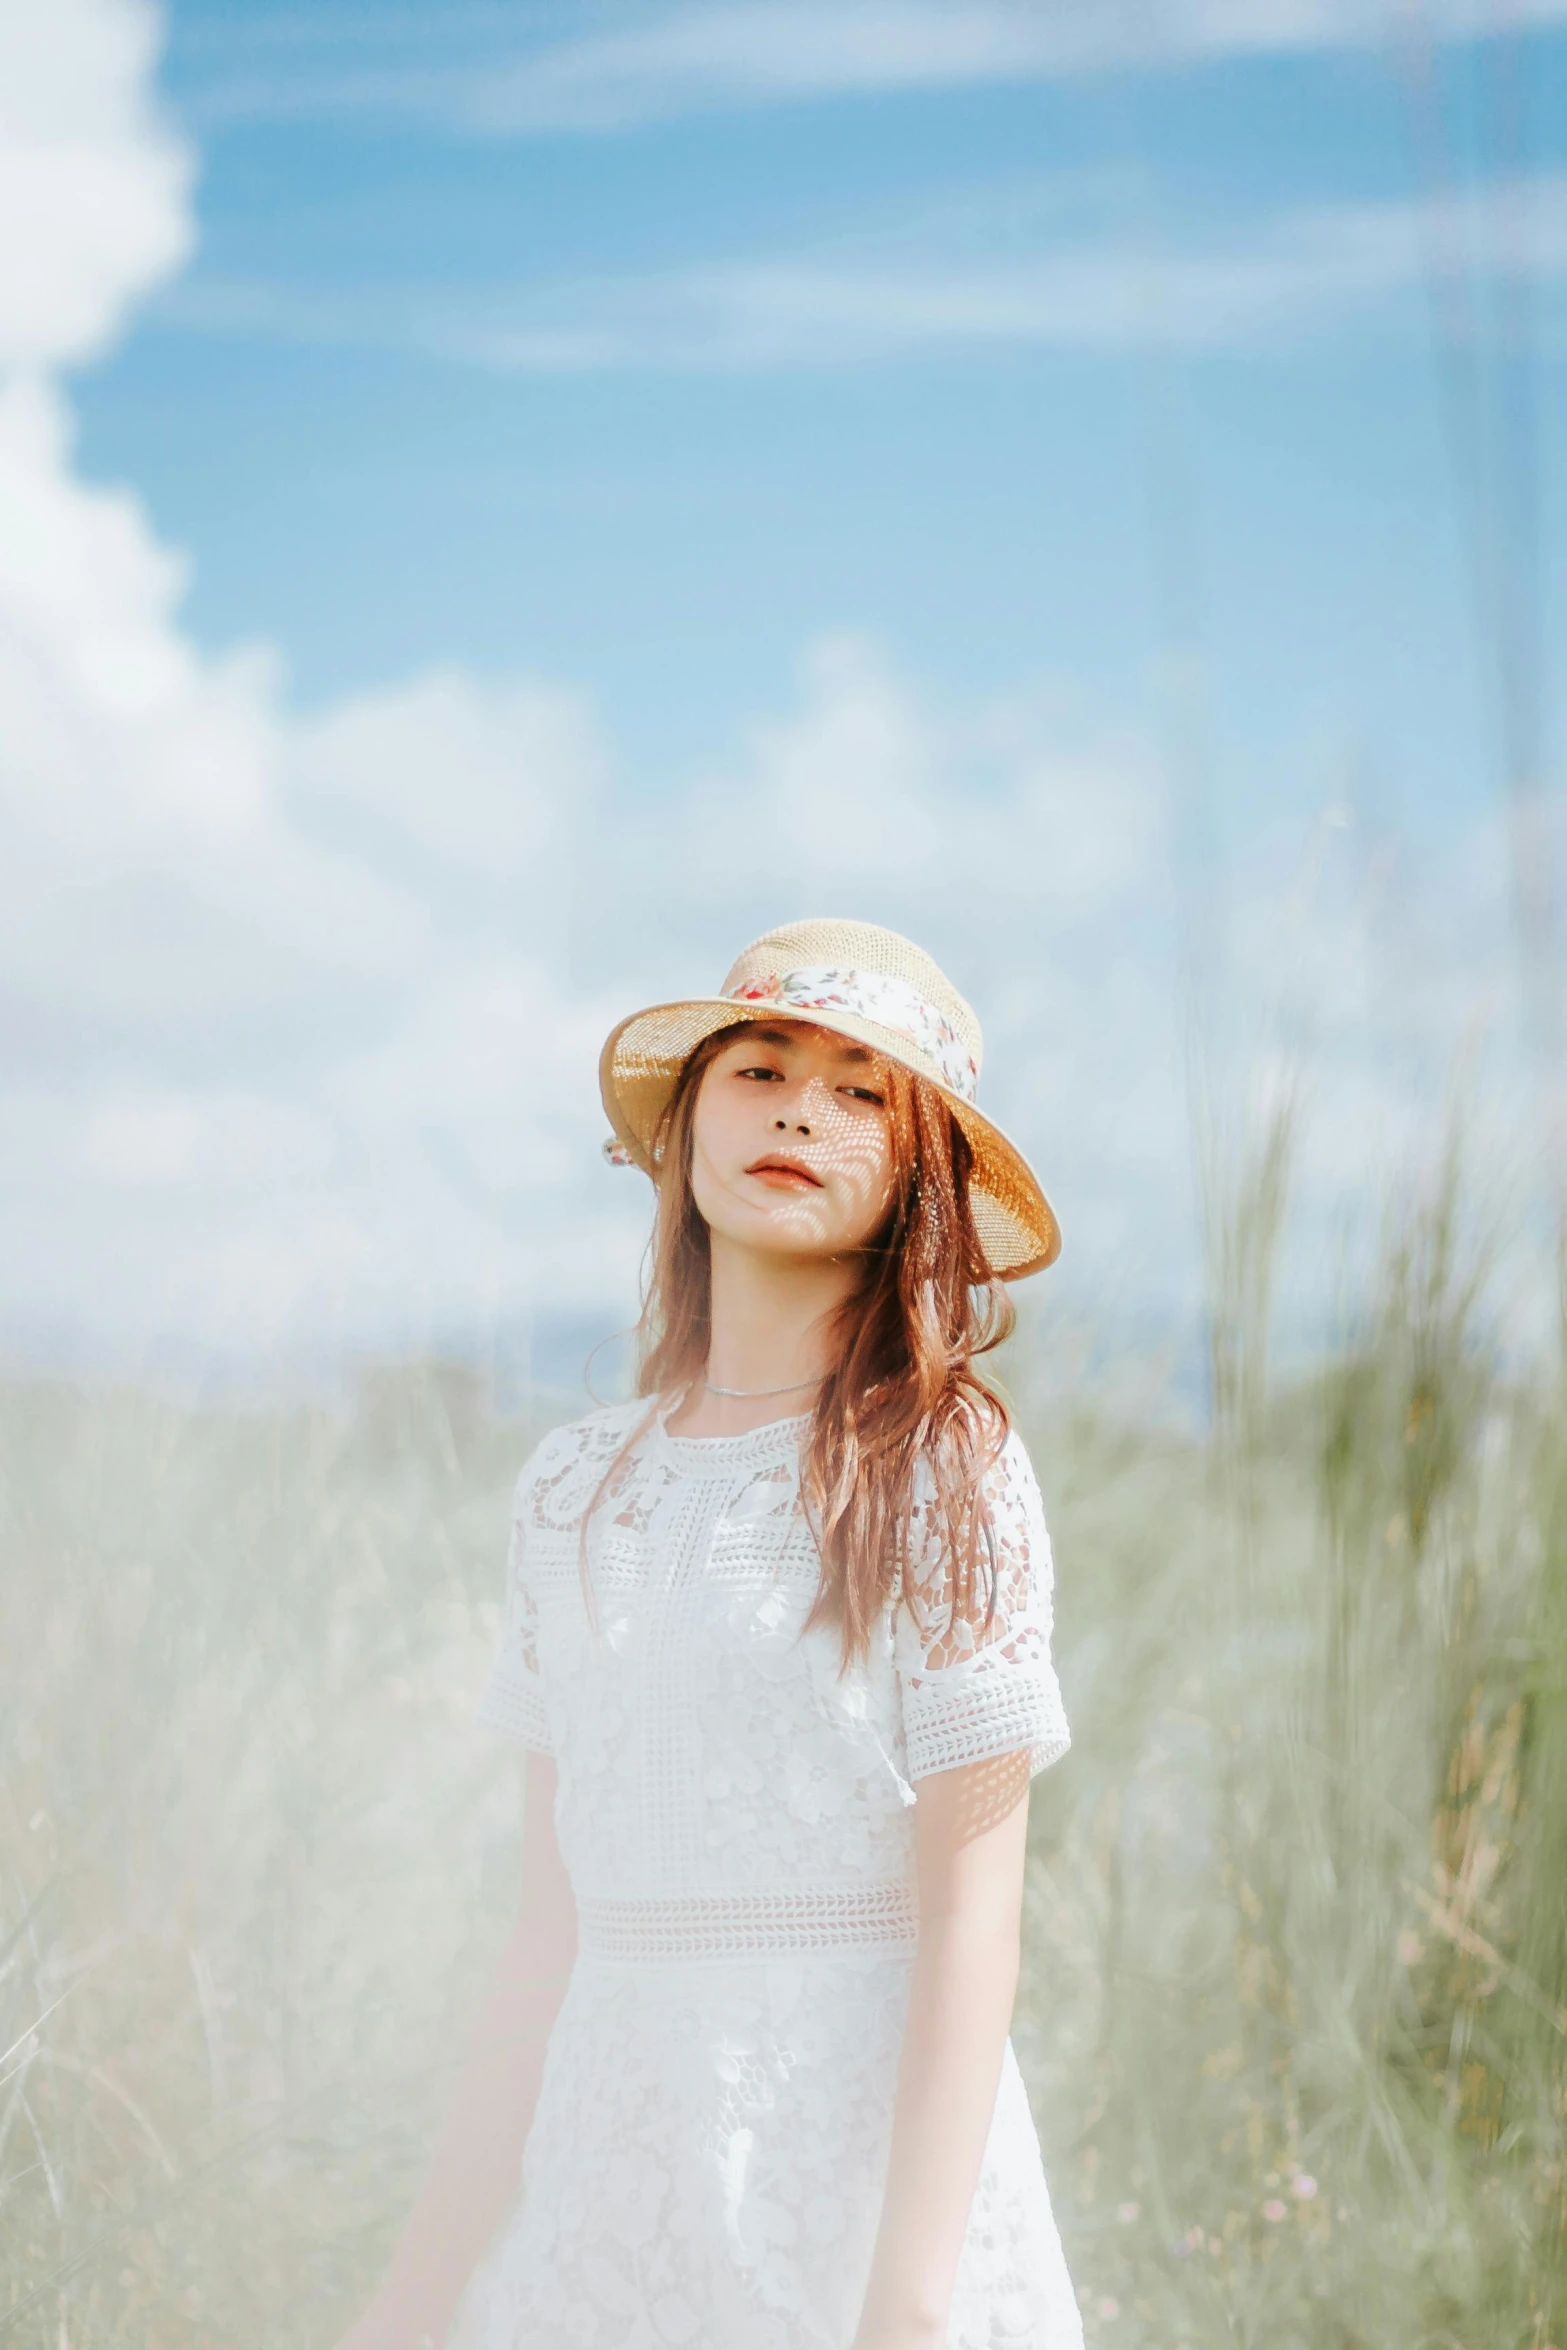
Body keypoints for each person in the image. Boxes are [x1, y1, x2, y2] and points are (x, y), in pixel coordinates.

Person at [336, 918, 1082, 2350]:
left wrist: (908, 2309)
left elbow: (972, 1922)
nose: (802, 1106)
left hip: (853, 2201)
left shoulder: (944, 1463)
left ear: (919, 1175)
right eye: (761, 1065)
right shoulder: (571, 1485)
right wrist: (419, 2287)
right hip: (607, 2188)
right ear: (679, 1132)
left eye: (863, 1090)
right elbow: (544, 1928)